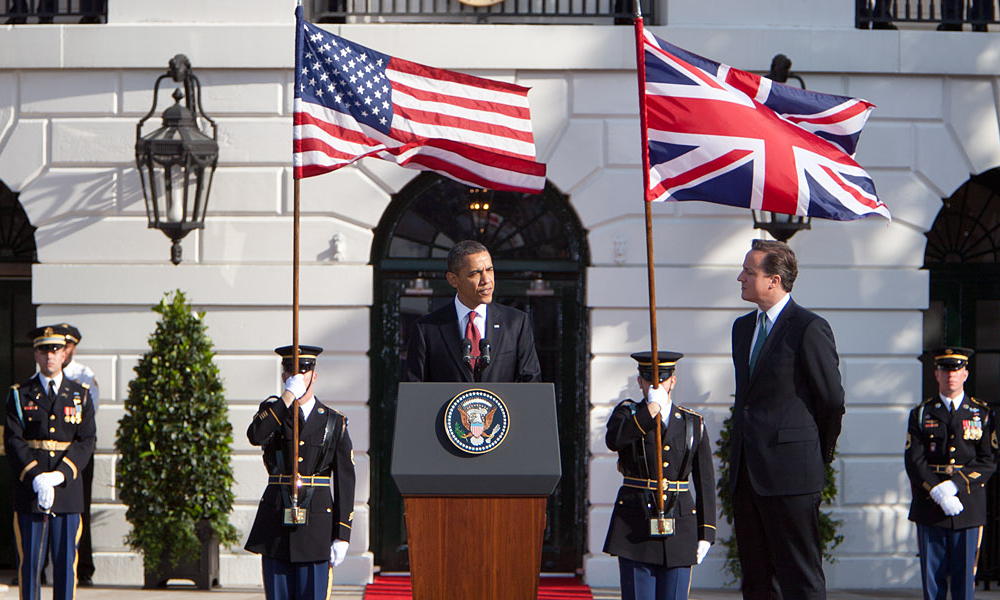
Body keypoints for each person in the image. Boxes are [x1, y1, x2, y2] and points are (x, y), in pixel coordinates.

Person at [729, 239, 845, 600]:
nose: (740, 278)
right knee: (756, 578)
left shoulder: (808, 328)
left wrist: (814, 453)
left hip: (792, 473)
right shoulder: (742, 329)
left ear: (774, 280)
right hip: (748, 473)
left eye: (749, 272)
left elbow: (831, 401)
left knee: (800, 576)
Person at [244, 345, 355, 600]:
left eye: (303, 372)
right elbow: (256, 435)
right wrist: (286, 397)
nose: (296, 377)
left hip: (316, 525)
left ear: (314, 375)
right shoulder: (274, 413)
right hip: (276, 524)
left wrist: (343, 534)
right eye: (290, 372)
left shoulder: (333, 421)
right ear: (283, 376)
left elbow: (346, 481)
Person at [604, 351, 716, 600]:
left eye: (663, 380)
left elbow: (705, 481)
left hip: (680, 526)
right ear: (640, 382)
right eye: (649, 380)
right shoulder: (627, 415)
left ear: (673, 381)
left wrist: (707, 533)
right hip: (636, 525)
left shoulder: (692, 423)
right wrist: (650, 409)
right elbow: (615, 440)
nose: (656, 385)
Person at [4, 326, 96, 600]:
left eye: (55, 350)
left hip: (66, 490)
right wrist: (36, 476)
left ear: (64, 353)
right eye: (43, 350)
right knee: (31, 563)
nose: (49, 356)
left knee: (65, 564)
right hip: (30, 488)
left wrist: (59, 476)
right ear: (35, 354)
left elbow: (86, 440)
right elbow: (13, 439)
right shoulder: (20, 394)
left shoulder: (80, 394)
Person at [905, 347, 996, 600]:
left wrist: (955, 485)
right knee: (932, 581)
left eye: (956, 370)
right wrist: (936, 490)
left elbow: (988, 460)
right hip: (930, 504)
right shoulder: (922, 413)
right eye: (945, 370)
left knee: (964, 579)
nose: (951, 376)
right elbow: (914, 459)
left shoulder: (982, 413)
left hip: (967, 504)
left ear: (965, 373)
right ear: (936, 374)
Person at [404, 239, 541, 383]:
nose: (486, 280)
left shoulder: (516, 323)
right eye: (475, 273)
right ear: (453, 279)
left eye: (489, 270)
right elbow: (415, 389)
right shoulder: (426, 329)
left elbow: (531, 382)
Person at [53, 323, 98, 587]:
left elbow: (87, 417)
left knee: (80, 509)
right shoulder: (45, 375)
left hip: (77, 451)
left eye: (67, 345)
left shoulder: (84, 375)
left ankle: (84, 568)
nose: (63, 351)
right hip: (48, 451)